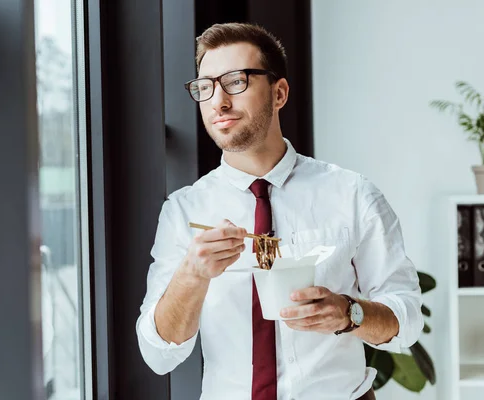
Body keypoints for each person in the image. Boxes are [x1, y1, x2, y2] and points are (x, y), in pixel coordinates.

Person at [136, 22, 423, 400]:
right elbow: (158, 354)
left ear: (279, 93)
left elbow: (407, 320)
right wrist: (192, 274)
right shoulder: (183, 211)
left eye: (236, 81)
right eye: (205, 88)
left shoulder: (352, 194)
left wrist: (349, 314)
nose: (218, 102)